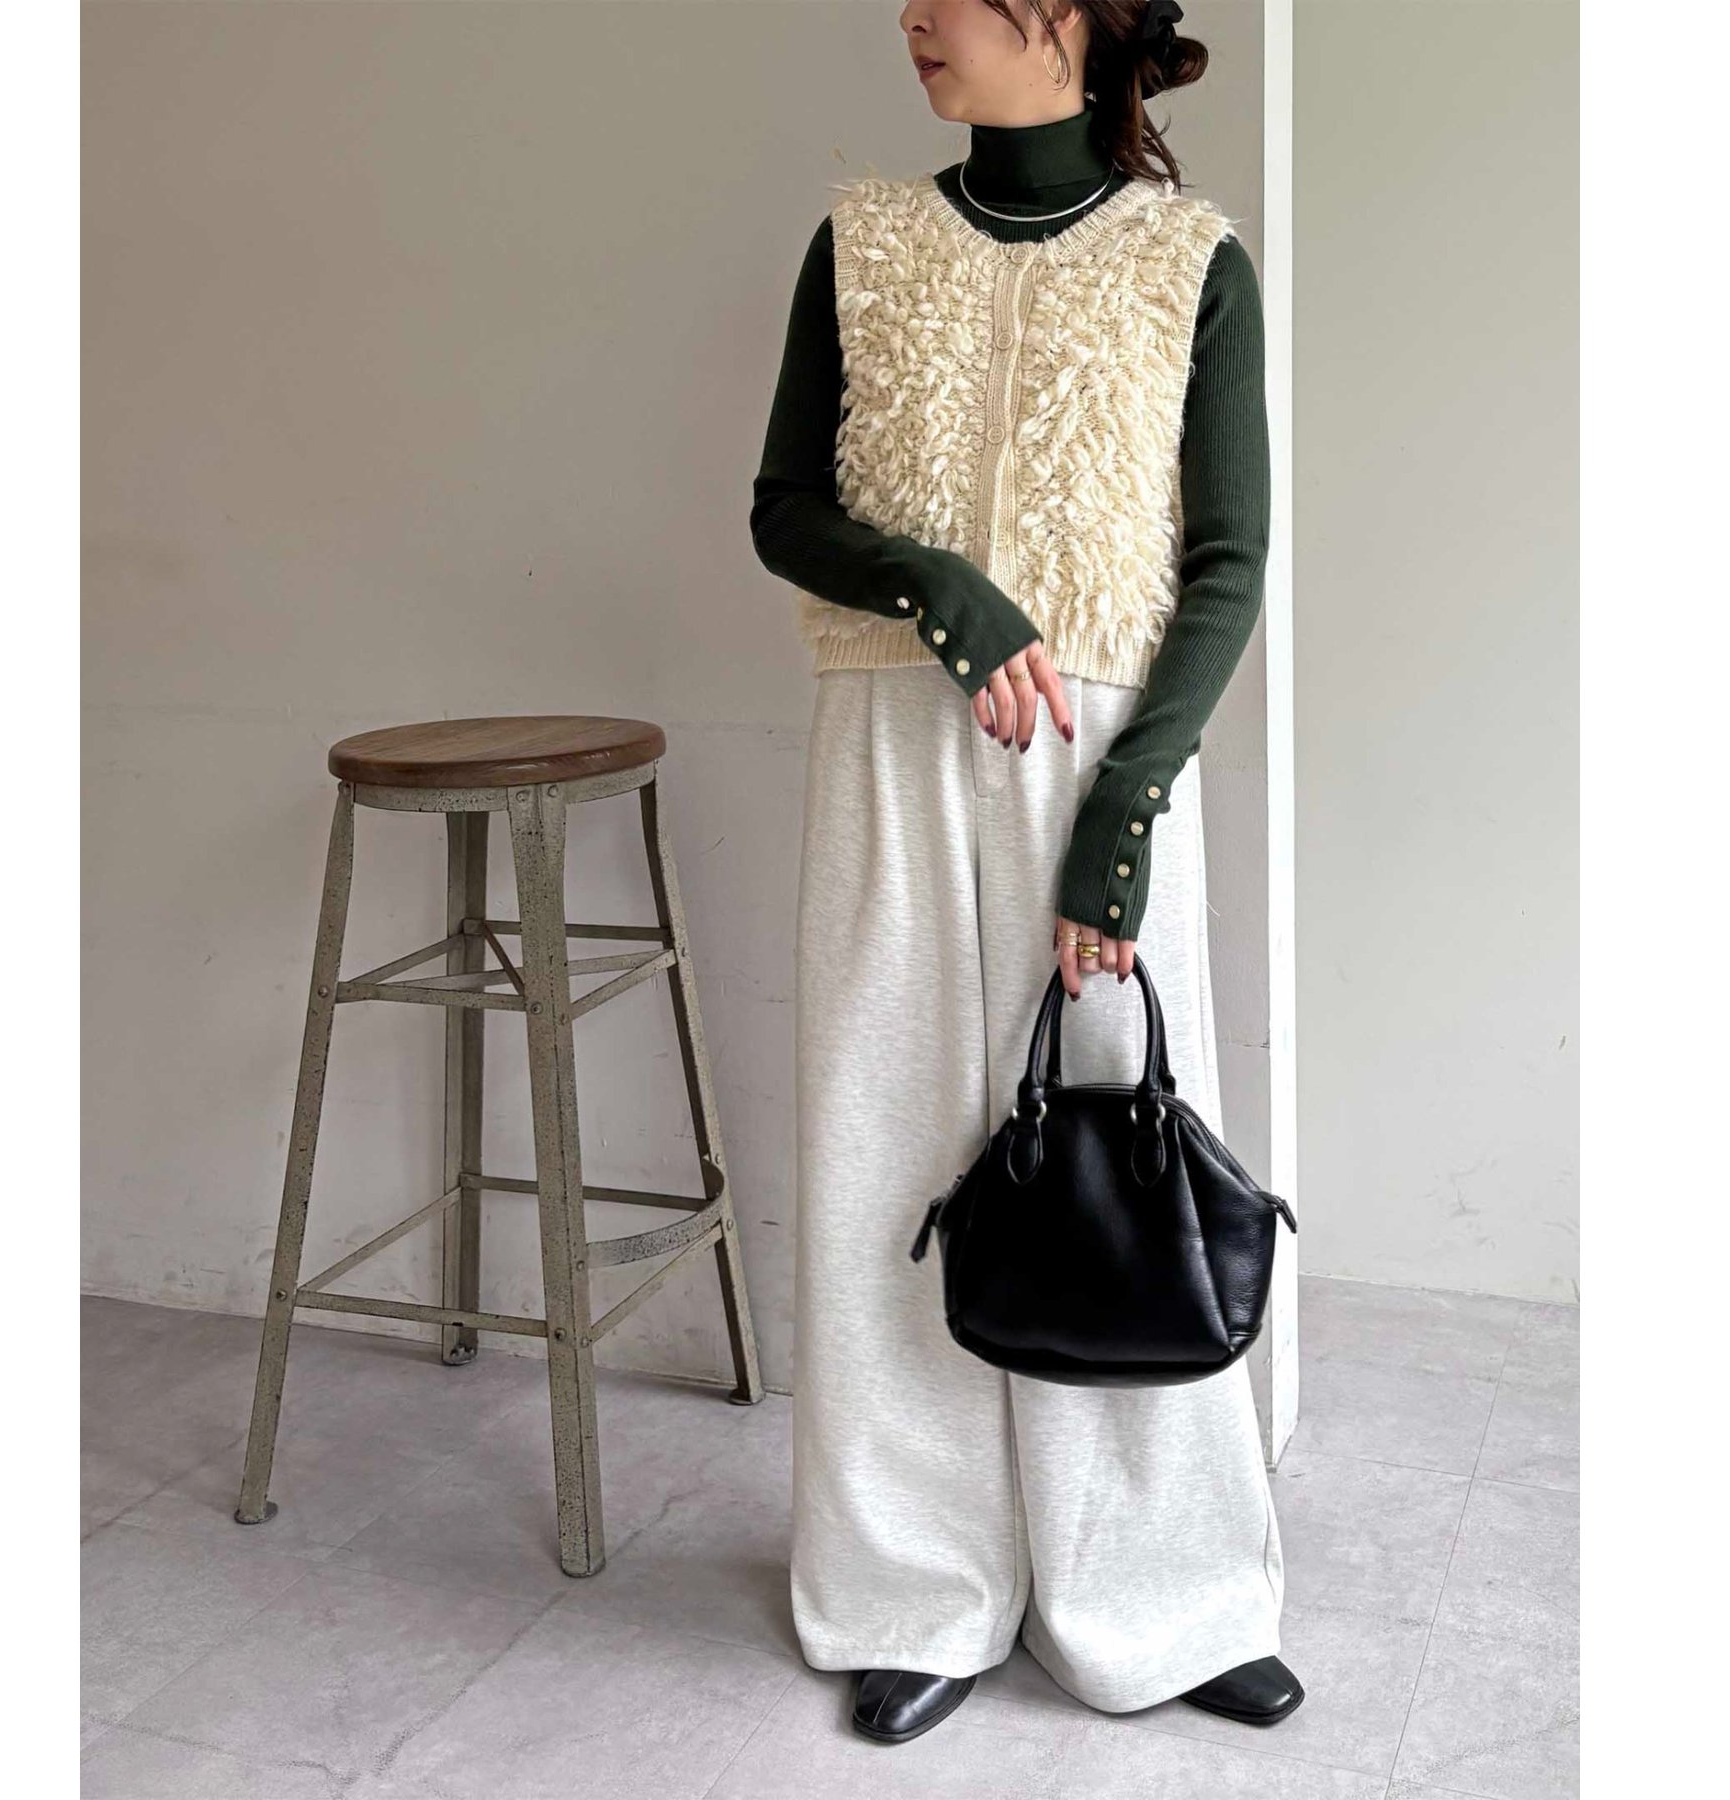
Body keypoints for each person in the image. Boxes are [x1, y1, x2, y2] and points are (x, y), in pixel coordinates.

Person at [749, 0, 1304, 1746]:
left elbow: (1228, 564)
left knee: (1123, 1157)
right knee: (889, 1150)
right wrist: (944, 593)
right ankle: (912, 1586)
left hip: (1105, 765)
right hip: (892, 743)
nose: (914, 17)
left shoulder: (1190, 263)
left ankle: (1162, 1588)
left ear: (1070, 12)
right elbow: (784, 506)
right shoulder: (861, 243)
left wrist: (1124, 815)